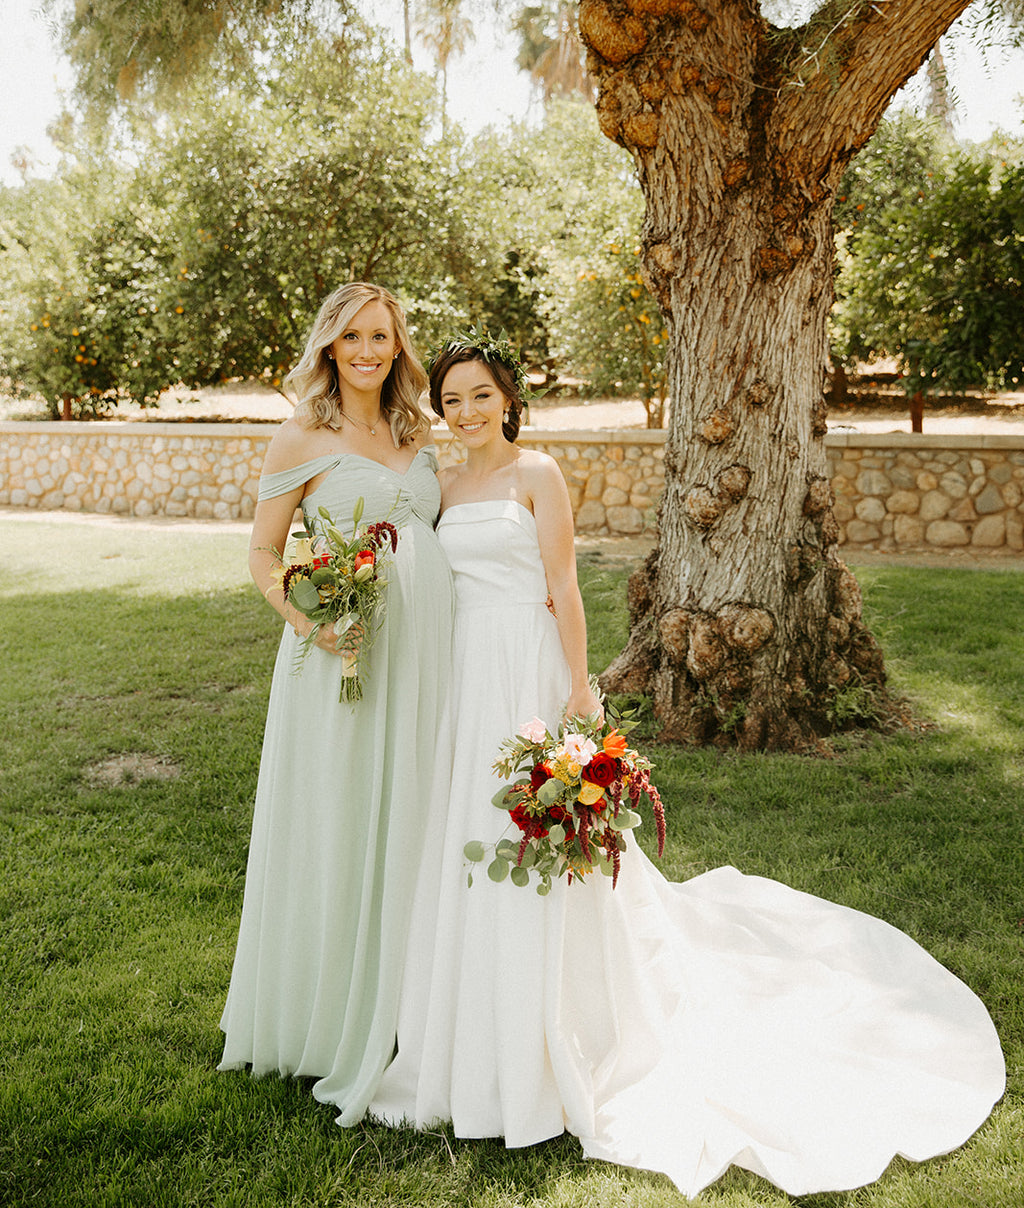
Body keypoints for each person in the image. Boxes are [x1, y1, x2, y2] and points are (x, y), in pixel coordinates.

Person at [369, 332, 1005, 1199]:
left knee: (544, 844)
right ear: (440, 410)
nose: (468, 412)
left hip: (526, 667)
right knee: (470, 835)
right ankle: (469, 1033)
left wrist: (578, 695)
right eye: (453, 400)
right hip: (462, 676)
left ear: (508, 399)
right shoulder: (441, 485)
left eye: (482, 395)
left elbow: (561, 586)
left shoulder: (536, 475)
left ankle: (562, 1032)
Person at [218, 283, 454, 1123]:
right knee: (342, 818)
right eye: (351, 336)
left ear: (399, 347)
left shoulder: (420, 432)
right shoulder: (302, 435)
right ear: (328, 346)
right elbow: (260, 551)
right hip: (340, 656)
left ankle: (410, 1007)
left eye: (381, 336)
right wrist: (309, 623)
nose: (366, 350)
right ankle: (327, 1015)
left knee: (419, 814)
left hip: (427, 652)